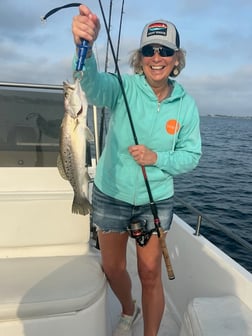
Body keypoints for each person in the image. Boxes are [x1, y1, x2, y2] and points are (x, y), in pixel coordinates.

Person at [72, 5, 201, 336]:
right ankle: (130, 309)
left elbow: (191, 155)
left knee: (149, 274)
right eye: (149, 50)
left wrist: (156, 158)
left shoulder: (186, 105)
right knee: (112, 267)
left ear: (176, 58)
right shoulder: (123, 87)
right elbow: (93, 87)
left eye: (165, 51)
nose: (156, 57)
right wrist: (83, 48)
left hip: (154, 200)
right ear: (139, 56)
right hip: (110, 193)